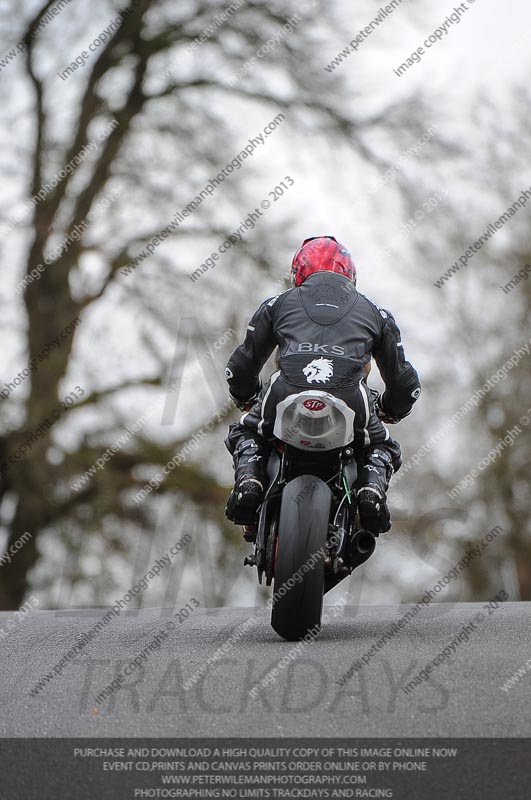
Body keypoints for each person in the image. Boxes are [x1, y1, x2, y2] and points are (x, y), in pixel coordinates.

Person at [224, 236, 420, 541]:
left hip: (285, 391)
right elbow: (405, 384)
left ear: (298, 272)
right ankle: (371, 489)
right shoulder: (375, 313)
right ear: (351, 274)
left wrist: (245, 395)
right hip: (351, 398)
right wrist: (389, 409)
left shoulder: (278, 303)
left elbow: (241, 367)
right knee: (381, 446)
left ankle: (250, 480)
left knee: (246, 432)